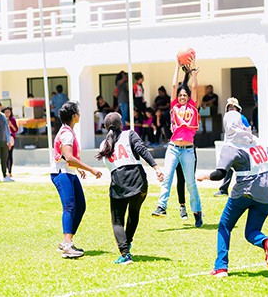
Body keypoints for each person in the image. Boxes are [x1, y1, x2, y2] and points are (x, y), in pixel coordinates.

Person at [197, 110, 268, 277]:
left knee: (224, 226)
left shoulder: (230, 146)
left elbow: (220, 173)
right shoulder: (256, 140)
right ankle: (266, 241)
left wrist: (204, 176)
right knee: (252, 232)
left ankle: (221, 267)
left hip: (246, 190)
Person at [96, 112, 163, 265]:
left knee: (117, 221)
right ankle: (128, 243)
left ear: (106, 128)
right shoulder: (130, 134)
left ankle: (125, 253)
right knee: (134, 212)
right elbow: (142, 150)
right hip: (139, 181)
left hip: (119, 183)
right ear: (121, 125)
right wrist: (156, 168)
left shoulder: (103, 145)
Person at [151, 51, 203, 228]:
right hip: (173, 147)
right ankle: (161, 206)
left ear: (188, 97)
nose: (181, 97)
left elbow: (194, 88)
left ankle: (197, 211)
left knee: (190, 183)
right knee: (167, 178)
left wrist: (193, 70)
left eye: (184, 95)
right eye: (180, 95)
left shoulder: (192, 106)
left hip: (188, 150)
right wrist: (176, 66)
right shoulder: (174, 106)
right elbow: (174, 86)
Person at [51, 101, 102, 258]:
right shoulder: (66, 134)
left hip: (68, 172)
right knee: (70, 207)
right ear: (74, 116)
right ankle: (67, 245)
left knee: (80, 206)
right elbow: (69, 157)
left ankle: (67, 242)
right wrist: (91, 169)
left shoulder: (68, 131)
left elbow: (68, 158)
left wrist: (77, 168)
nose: (80, 114)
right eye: (78, 112)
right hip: (62, 173)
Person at [213, 97, 250, 197]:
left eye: (233, 107)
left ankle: (245, 189)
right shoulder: (227, 118)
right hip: (230, 146)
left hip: (241, 148)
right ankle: (223, 189)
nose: (231, 109)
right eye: (229, 107)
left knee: (242, 171)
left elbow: (248, 132)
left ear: (237, 108)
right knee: (227, 169)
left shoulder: (242, 118)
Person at [3, 107, 18, 178]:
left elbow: (16, 130)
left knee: (9, 154)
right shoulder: (2, 119)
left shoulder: (13, 120)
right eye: (6, 112)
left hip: (11, 137)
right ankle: (4, 169)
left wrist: (11, 125)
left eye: (9, 112)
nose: (7, 114)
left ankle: (9, 171)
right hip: (3, 138)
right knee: (4, 155)